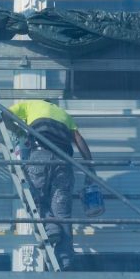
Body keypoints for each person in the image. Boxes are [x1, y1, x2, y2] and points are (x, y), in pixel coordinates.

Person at [6, 99, 94, 270]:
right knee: (63, 214)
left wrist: (19, 132)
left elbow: (4, 115)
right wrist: (91, 167)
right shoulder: (64, 115)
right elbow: (79, 140)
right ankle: (65, 260)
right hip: (64, 162)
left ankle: (51, 226)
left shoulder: (29, 104)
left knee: (33, 196)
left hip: (40, 156)